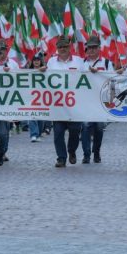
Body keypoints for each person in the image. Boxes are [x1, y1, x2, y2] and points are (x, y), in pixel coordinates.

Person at [45, 36, 84, 168]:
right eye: (60, 47)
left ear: (70, 47)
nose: (63, 49)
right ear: (57, 49)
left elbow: (88, 78)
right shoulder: (51, 62)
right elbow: (45, 78)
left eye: (65, 47)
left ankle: (72, 150)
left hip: (75, 104)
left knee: (75, 130)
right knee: (58, 132)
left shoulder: (79, 62)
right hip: (58, 104)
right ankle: (61, 158)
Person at [81, 36, 112, 163]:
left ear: (99, 48)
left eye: (94, 47)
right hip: (85, 100)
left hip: (100, 101)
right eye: (90, 47)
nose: (92, 50)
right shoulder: (81, 63)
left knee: (99, 128)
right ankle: (86, 154)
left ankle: (96, 152)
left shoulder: (106, 63)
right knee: (86, 127)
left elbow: (112, 79)